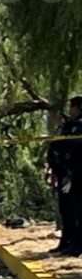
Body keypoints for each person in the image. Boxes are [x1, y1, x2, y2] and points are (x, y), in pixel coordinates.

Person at [48, 96, 82, 255]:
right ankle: (66, 241)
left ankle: (77, 245)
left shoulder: (79, 126)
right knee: (66, 210)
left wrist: (57, 144)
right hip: (63, 173)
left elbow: (69, 145)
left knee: (77, 211)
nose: (71, 110)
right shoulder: (68, 125)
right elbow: (54, 147)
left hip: (76, 173)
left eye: (72, 107)